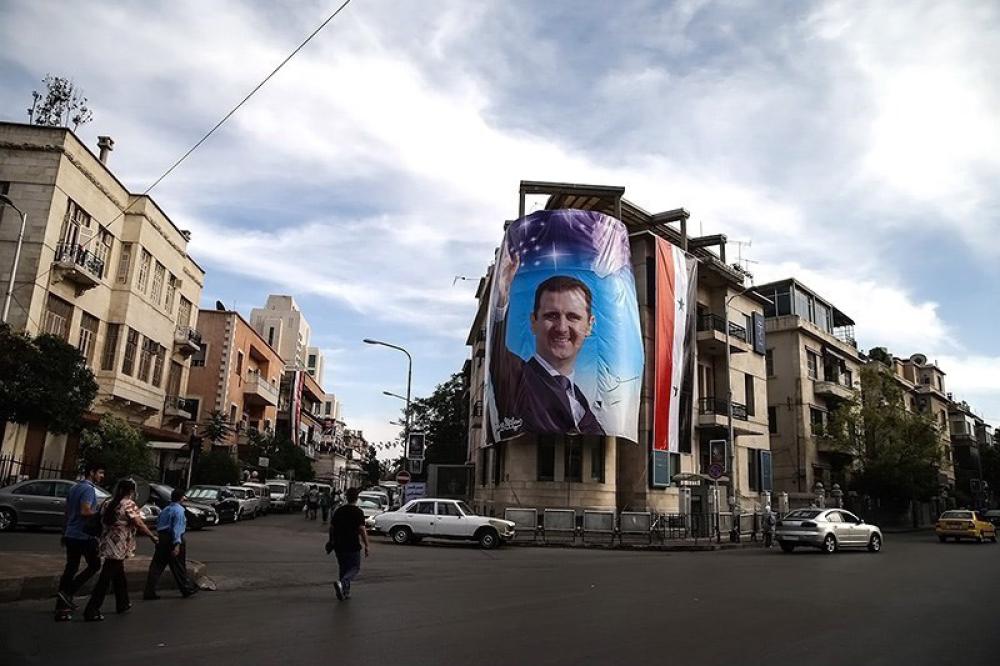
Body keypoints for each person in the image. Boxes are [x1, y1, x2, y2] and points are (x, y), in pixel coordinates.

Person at [489, 244, 604, 438]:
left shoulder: (580, 398)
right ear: (534, 322)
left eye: (573, 317)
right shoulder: (516, 378)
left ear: (589, 325)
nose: (561, 327)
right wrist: (501, 296)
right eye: (552, 316)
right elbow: (497, 350)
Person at [82, 479, 157, 621]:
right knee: (105, 577)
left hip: (107, 541)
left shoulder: (107, 502)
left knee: (118, 573)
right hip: (120, 544)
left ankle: (122, 602)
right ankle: (92, 609)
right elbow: (139, 523)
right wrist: (152, 536)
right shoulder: (129, 504)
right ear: (132, 491)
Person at [54, 461, 105, 621]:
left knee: (71, 567)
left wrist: (64, 531)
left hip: (71, 533)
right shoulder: (88, 489)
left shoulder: (74, 487)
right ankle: (68, 592)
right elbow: (85, 511)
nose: (102, 476)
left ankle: (61, 604)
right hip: (83, 535)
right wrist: (99, 515)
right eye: (100, 473)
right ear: (91, 472)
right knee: (94, 565)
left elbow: (68, 512)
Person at [143, 488, 198, 600]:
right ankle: (186, 588)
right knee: (178, 566)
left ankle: (149, 591)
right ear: (181, 497)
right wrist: (177, 544)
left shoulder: (166, 509)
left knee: (157, 566)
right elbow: (177, 528)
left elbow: (158, 523)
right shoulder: (179, 511)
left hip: (162, 538)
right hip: (172, 539)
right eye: (184, 496)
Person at [326, 487, 369, 601]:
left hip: (339, 545)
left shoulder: (339, 510)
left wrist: (331, 540)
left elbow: (331, 527)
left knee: (343, 568)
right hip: (352, 544)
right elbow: (362, 530)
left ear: (346, 497)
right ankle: (343, 583)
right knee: (355, 567)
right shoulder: (358, 512)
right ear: (357, 498)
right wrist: (367, 545)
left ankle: (345, 592)